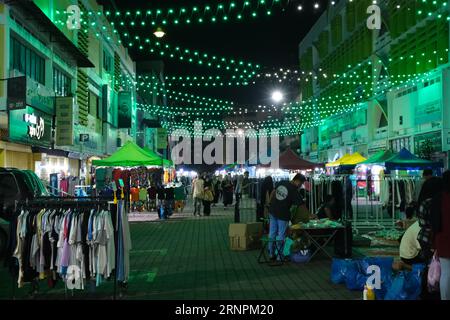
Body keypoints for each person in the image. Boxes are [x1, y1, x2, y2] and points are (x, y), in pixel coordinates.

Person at [267, 174, 309, 260]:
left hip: (272, 211)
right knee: (281, 234)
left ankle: (271, 253)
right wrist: (309, 215)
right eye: (301, 184)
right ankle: (279, 256)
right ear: (297, 181)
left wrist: (270, 203)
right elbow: (301, 205)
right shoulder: (294, 190)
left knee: (272, 233)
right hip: (283, 214)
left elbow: (273, 192)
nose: (300, 186)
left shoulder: (282, 182)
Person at [434, 170, 450, 300]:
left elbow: (435, 221)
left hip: (443, 239)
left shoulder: (438, 197)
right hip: (443, 238)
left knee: (445, 273)